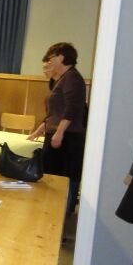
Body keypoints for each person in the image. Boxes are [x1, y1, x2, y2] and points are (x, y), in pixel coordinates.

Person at [27, 42, 86, 220]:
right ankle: (51, 213)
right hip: (57, 134)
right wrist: (37, 132)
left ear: (61, 57)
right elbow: (53, 113)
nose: (49, 62)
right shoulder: (60, 79)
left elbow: (72, 108)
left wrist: (59, 132)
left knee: (65, 178)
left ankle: (61, 216)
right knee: (51, 176)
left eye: (51, 58)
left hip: (68, 137)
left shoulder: (72, 78)